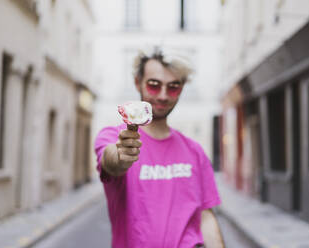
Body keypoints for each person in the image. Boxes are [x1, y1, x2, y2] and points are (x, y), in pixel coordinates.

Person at [94, 46, 224, 248]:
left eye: (173, 87)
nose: (163, 96)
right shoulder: (113, 136)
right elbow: (111, 161)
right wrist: (121, 155)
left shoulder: (195, 151)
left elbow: (205, 216)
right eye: (154, 85)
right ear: (138, 83)